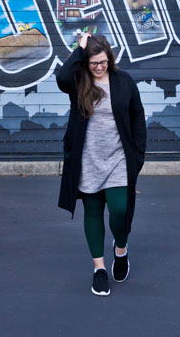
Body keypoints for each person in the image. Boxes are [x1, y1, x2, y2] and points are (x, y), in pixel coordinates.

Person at [56, 31, 147, 296]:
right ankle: (99, 269)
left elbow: (137, 116)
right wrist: (80, 48)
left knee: (120, 209)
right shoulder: (78, 81)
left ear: (110, 59)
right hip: (88, 159)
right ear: (86, 62)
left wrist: (138, 153)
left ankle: (121, 249)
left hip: (119, 158)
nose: (98, 67)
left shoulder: (123, 81)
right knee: (93, 212)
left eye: (103, 62)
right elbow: (61, 77)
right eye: (93, 63)